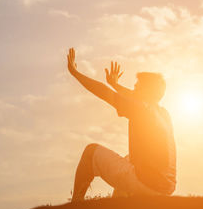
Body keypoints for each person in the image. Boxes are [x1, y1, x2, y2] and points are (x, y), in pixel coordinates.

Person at [67, 48, 176, 201]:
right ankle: (119, 208)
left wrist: (75, 73)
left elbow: (103, 91)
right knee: (128, 159)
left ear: (145, 91)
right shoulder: (163, 114)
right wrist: (116, 84)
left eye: (137, 85)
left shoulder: (140, 109)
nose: (133, 88)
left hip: (146, 184)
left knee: (90, 151)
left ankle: (75, 206)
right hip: (166, 187)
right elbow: (132, 95)